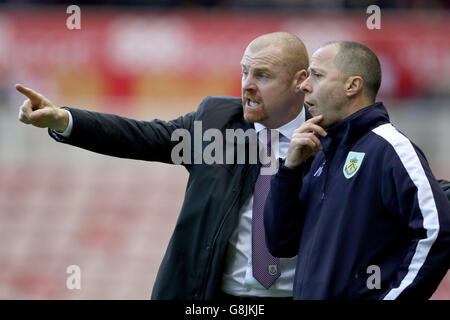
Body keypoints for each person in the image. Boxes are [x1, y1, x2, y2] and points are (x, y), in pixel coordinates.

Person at [16, 32, 312, 300]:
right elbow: (141, 136)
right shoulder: (216, 122)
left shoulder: (333, 138)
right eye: (244, 72)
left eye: (262, 75)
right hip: (214, 297)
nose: (246, 85)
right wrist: (63, 120)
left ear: (300, 81)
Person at [264, 41, 450, 300]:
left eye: (317, 75)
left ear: (352, 86)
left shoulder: (389, 148)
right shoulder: (322, 154)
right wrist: (290, 170)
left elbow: (438, 230)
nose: (304, 86)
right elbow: (280, 242)